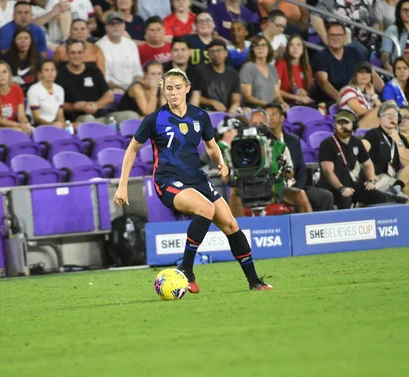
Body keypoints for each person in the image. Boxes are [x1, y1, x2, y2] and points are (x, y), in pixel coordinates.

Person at [113, 68, 273, 292]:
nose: (174, 93)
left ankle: (254, 281)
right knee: (205, 209)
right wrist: (122, 186)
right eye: (169, 88)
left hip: (196, 178)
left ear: (187, 88)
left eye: (178, 88)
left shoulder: (200, 116)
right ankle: (186, 268)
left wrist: (220, 161)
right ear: (164, 90)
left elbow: (211, 145)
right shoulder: (154, 119)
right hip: (167, 181)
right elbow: (131, 150)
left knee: (231, 224)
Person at [318, 110, 396, 209]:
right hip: (333, 187)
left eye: (346, 123)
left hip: (352, 185)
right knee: (346, 198)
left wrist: (371, 180)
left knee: (381, 198)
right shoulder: (328, 144)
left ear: (354, 125)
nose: (343, 126)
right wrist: (341, 188)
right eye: (339, 123)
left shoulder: (356, 142)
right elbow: (328, 172)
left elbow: (367, 164)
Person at [263, 103, 334, 212]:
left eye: (273, 114)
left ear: (282, 118)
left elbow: (301, 170)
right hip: (273, 188)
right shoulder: (262, 142)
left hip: (296, 186)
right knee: (298, 197)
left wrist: (299, 189)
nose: (270, 118)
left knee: (326, 197)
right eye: (267, 116)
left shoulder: (293, 140)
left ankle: (321, 227)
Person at [361, 101, 409, 212]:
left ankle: (405, 225)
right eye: (387, 115)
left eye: (394, 115)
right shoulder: (373, 134)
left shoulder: (400, 138)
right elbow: (361, 151)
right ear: (380, 118)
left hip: (393, 178)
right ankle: (395, 187)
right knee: (408, 184)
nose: (391, 118)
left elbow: (407, 162)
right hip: (377, 177)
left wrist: (398, 140)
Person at [312, 22, 383, 105]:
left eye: (339, 35)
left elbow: (372, 74)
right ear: (327, 37)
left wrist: (387, 93)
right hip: (333, 102)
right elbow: (322, 82)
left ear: (345, 37)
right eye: (332, 35)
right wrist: (343, 99)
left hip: (358, 99)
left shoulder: (355, 52)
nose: (335, 38)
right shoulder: (320, 56)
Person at [55, 38, 114, 125]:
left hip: (100, 114)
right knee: (89, 119)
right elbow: (56, 103)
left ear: (84, 54)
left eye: (79, 52)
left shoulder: (94, 70)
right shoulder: (59, 75)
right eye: (73, 53)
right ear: (67, 54)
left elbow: (109, 96)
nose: (76, 56)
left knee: (129, 116)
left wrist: (95, 105)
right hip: (76, 117)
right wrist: (74, 107)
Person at [96, 11, 143, 92]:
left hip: (133, 88)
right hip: (111, 89)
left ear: (124, 26)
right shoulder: (99, 46)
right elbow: (104, 77)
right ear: (106, 27)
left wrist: (135, 85)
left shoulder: (131, 44)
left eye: (119, 23)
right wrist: (122, 90)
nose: (115, 26)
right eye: (112, 24)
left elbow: (137, 71)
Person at [240, 35, 289, 111]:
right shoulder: (248, 67)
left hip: (271, 110)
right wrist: (268, 105)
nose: (260, 48)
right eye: (256, 45)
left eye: (263, 45)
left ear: (268, 48)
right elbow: (247, 97)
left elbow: (277, 95)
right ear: (253, 50)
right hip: (253, 111)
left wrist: (283, 103)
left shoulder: (272, 68)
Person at [0, 60, 33, 133]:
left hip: (14, 124)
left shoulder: (17, 89)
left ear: (9, 74)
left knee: (32, 130)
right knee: (20, 131)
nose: (1, 75)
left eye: (4, 72)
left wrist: (26, 124)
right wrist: (19, 125)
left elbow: (21, 116)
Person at [197, 39, 242, 114]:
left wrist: (232, 110)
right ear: (208, 54)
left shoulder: (233, 74)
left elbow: (236, 100)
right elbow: (194, 97)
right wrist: (212, 102)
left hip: (227, 112)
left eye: (219, 50)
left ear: (226, 53)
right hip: (206, 112)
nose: (215, 54)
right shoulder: (200, 71)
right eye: (212, 51)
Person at [338, 62, 382, 129]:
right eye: (361, 72)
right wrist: (375, 112)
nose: (364, 74)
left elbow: (383, 109)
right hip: (352, 126)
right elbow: (359, 111)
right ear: (356, 76)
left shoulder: (368, 97)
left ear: (370, 77)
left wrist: (373, 95)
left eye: (367, 72)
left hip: (369, 126)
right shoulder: (348, 89)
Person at [276, 34, 314, 106]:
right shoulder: (281, 63)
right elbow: (276, 91)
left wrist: (304, 93)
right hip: (285, 104)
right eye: (291, 45)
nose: (295, 48)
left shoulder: (307, 67)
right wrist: (296, 97)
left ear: (303, 50)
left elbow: (309, 90)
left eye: (298, 45)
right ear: (288, 49)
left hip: (302, 105)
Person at [162, 36, 200, 106]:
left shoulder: (196, 72)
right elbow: (162, 98)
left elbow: (195, 99)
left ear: (190, 52)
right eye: (176, 50)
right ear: (171, 53)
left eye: (183, 50)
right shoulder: (162, 70)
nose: (180, 54)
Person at [27, 59, 65, 127]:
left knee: (77, 126)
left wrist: (63, 125)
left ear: (56, 72)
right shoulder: (34, 90)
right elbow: (37, 119)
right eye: (46, 70)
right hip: (37, 126)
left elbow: (60, 115)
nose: (50, 73)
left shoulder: (60, 89)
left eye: (52, 70)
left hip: (55, 124)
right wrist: (52, 126)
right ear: (41, 73)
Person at [1, 27, 40, 94]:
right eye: (19, 39)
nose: (23, 41)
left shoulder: (38, 58)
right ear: (14, 42)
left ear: (31, 40)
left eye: (26, 38)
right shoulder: (6, 59)